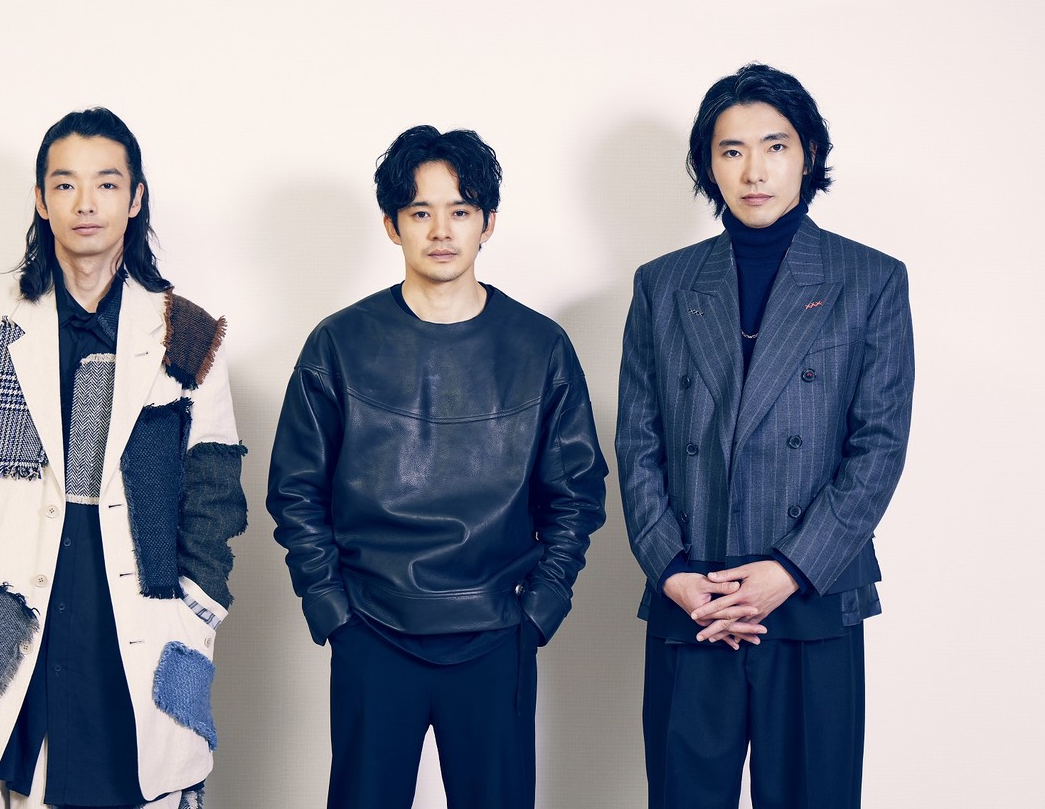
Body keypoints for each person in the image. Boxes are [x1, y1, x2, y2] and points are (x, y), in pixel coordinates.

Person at [0, 108, 248, 809]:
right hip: (4, 604)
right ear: (41, 200)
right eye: (65, 184)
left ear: (136, 197)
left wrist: (197, 604)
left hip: (132, 608)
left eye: (106, 184)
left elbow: (213, 486)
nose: (86, 203)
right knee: (1, 780)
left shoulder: (186, 330)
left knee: (134, 778)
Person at [268, 125, 608, 809]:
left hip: (496, 631)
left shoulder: (540, 347)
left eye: (460, 210)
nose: (442, 230)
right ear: (392, 226)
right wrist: (332, 609)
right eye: (421, 211)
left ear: (488, 223)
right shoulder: (338, 344)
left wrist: (539, 609)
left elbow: (576, 493)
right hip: (372, 630)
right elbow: (295, 490)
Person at [616, 63, 915, 808]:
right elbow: (637, 441)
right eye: (732, 150)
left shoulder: (870, 279)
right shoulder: (663, 283)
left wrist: (788, 569)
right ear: (708, 164)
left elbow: (878, 447)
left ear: (807, 154)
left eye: (774, 146)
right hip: (696, 594)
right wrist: (671, 569)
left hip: (813, 593)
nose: (754, 171)